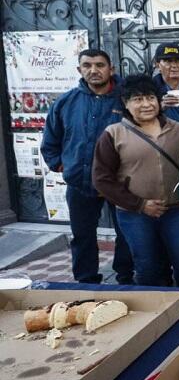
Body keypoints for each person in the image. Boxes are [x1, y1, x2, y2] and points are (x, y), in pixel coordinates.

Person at [41, 49, 134, 284]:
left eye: (100, 65)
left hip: (120, 182)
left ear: (111, 69)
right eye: (87, 65)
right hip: (81, 183)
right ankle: (86, 281)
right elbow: (51, 141)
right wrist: (63, 166)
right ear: (79, 70)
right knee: (82, 235)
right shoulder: (66, 102)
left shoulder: (126, 100)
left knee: (127, 233)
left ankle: (125, 277)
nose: (94, 70)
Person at [92, 75, 179, 287]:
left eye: (150, 98)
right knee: (147, 267)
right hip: (135, 215)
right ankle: (156, 312)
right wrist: (140, 204)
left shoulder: (178, 130)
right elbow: (102, 179)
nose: (146, 104)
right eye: (138, 99)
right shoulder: (113, 134)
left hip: (175, 211)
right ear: (126, 103)